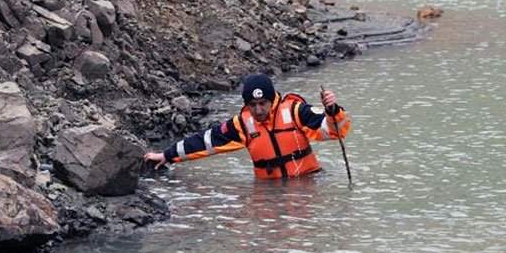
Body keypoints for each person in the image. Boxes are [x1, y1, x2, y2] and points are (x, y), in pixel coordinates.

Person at [143, 73, 350, 179]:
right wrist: (167, 155)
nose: (258, 110)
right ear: (246, 105)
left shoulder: (296, 111)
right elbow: (206, 142)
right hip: (269, 190)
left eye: (263, 104)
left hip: (309, 182)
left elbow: (335, 130)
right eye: (253, 105)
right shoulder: (243, 124)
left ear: (273, 100)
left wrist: (332, 110)